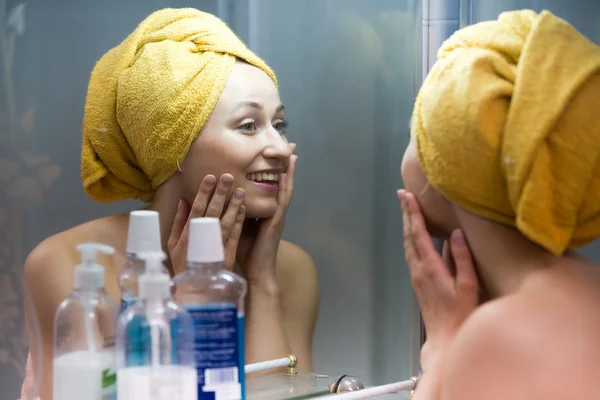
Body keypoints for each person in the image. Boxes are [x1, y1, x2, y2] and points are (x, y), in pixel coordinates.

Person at [21, 8, 318, 400]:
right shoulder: (69, 265)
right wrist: (190, 301)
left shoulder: (291, 268)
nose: (280, 148)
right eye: (249, 125)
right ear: (172, 146)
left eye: (279, 125)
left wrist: (261, 283)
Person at [399, 9, 600, 399]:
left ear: (448, 169)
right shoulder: (588, 285)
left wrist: (443, 348)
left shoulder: (503, 334)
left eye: (415, 132)